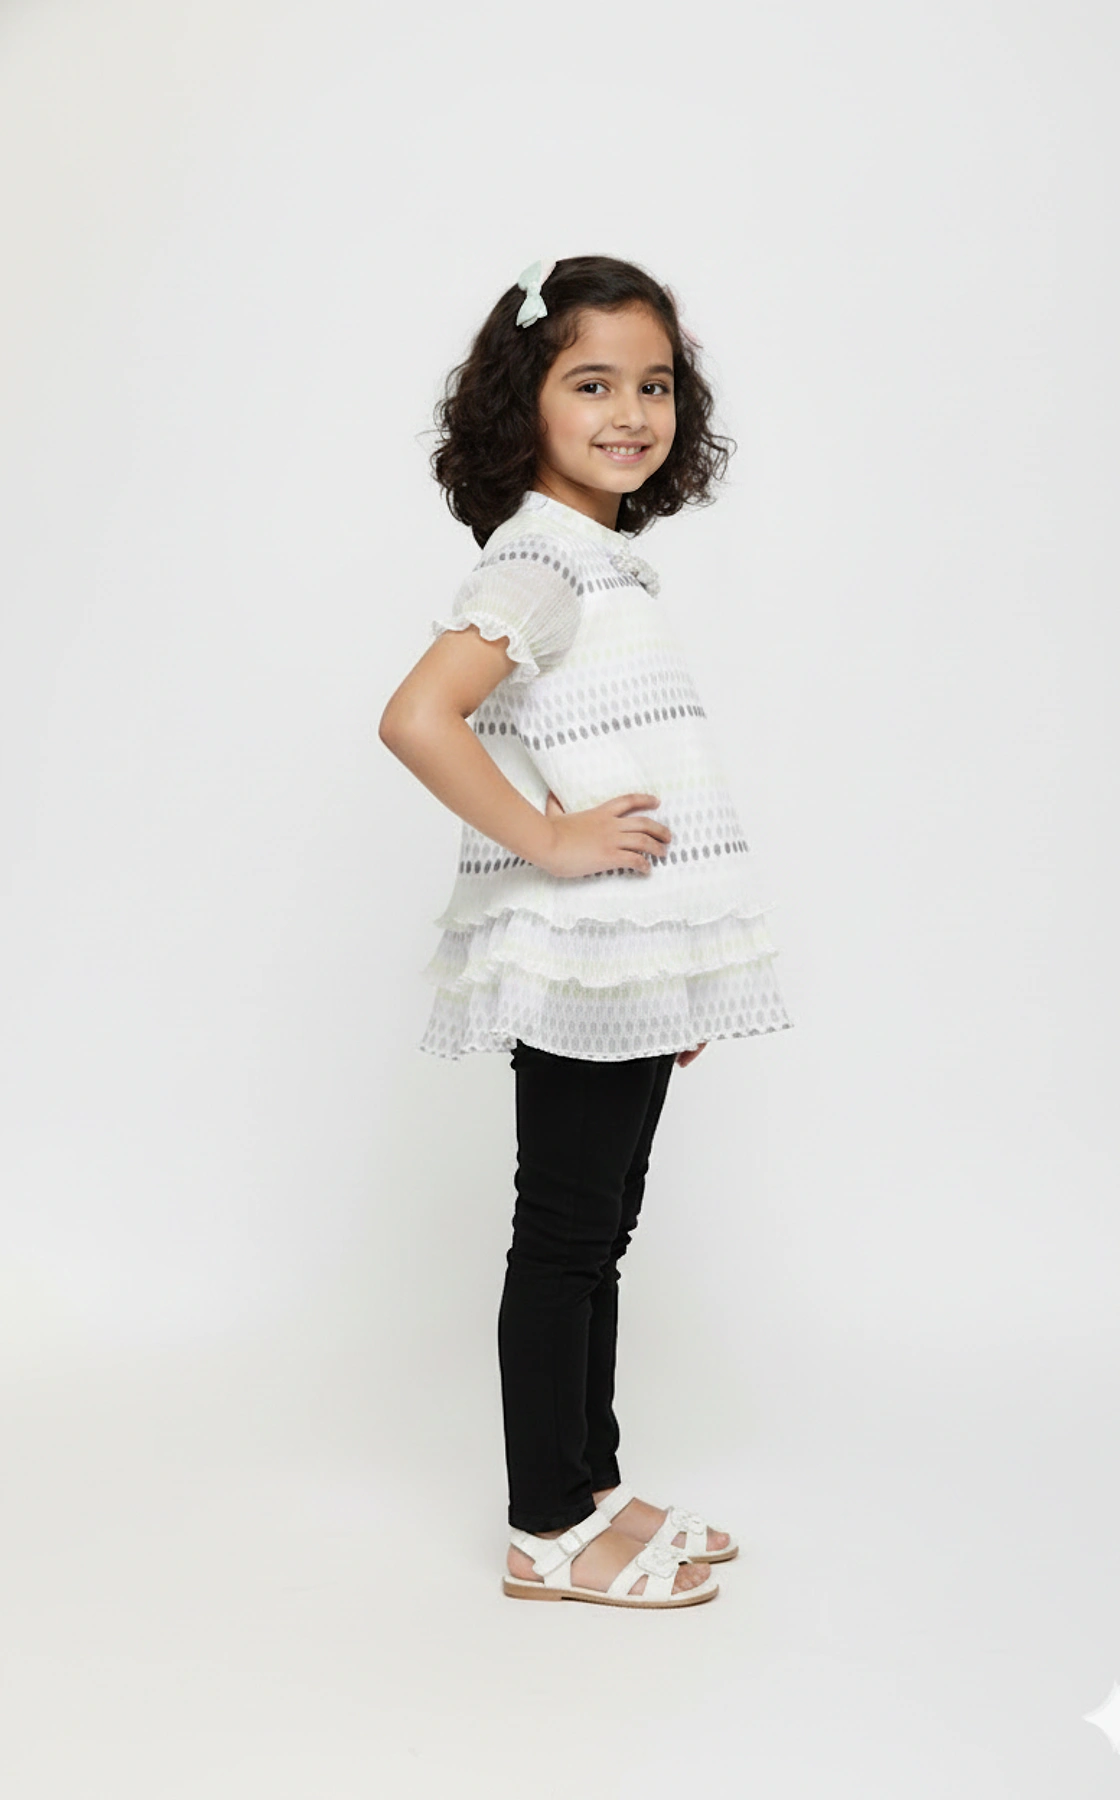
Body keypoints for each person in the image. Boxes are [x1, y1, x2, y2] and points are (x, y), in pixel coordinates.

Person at [378, 255, 793, 1609]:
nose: (631, 413)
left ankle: (594, 1485)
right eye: (593, 383)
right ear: (528, 401)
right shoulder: (543, 554)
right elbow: (418, 716)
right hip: (573, 955)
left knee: (595, 1234)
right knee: (564, 1237)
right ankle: (548, 1523)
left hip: (621, 966)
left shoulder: (600, 556)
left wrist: (670, 983)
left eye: (654, 386)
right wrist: (547, 841)